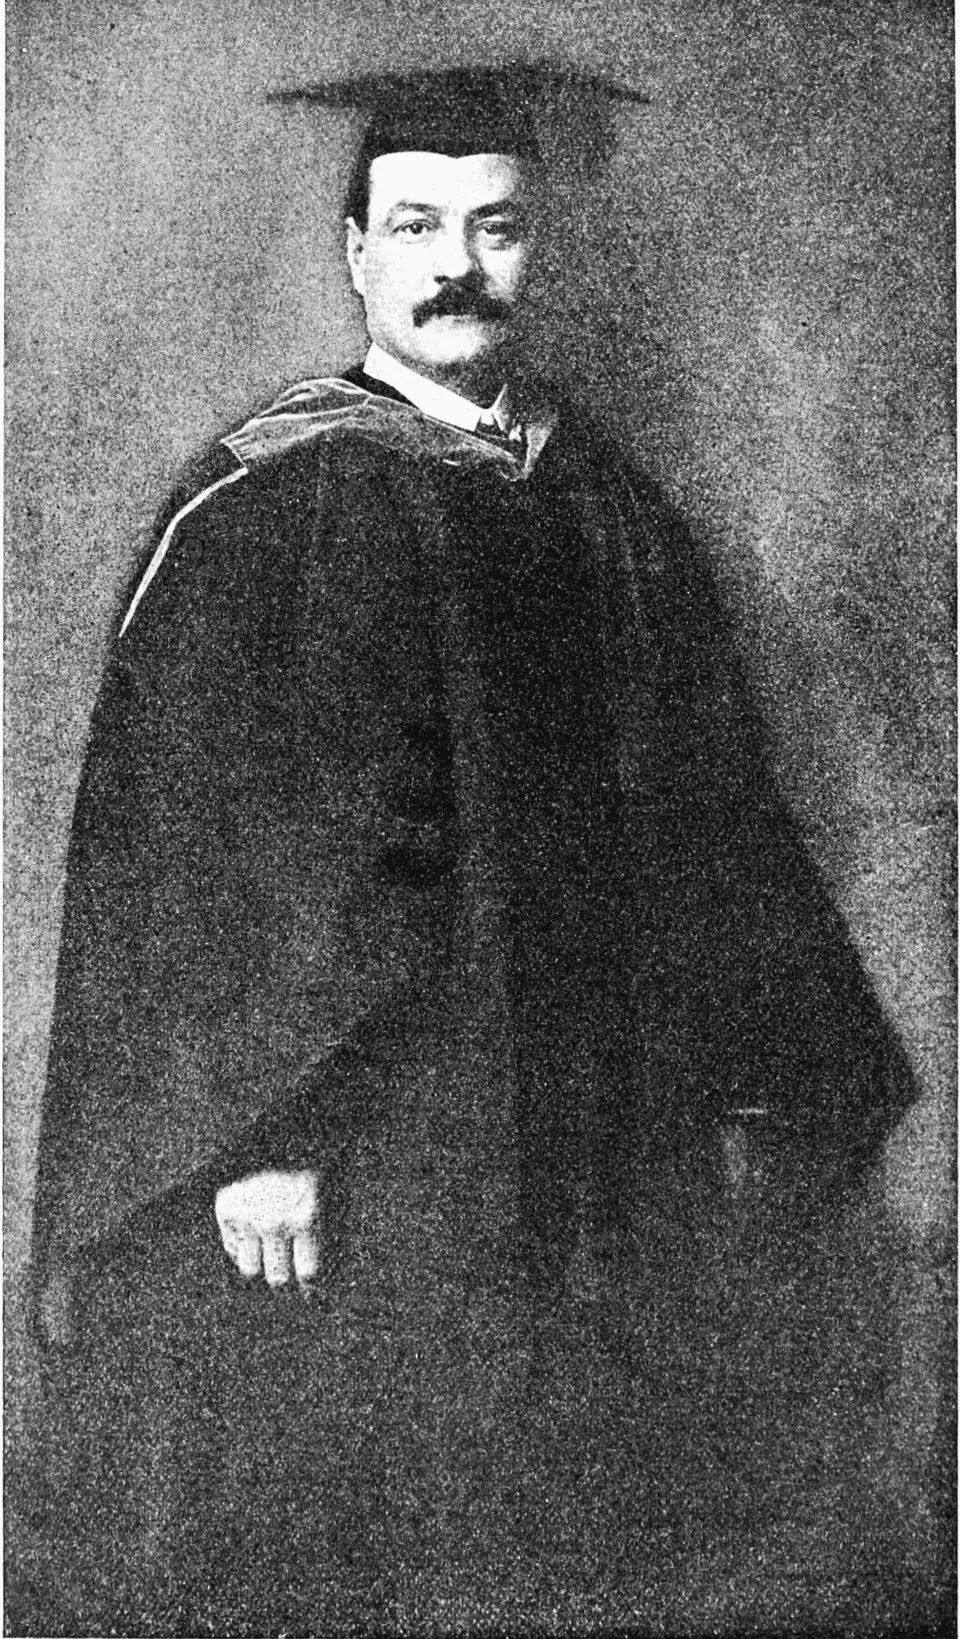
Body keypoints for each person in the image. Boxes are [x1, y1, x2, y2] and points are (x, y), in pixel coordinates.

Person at [27, 61, 916, 1636]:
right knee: (366, 1535)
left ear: (536, 250)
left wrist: (765, 1069)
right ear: (354, 252)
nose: (458, 266)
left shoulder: (605, 505)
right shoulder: (267, 511)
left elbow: (711, 807)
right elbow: (192, 858)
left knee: (571, 1543)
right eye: (418, 226)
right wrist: (257, 1132)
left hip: (589, 1127)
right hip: (365, 1152)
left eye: (496, 229)